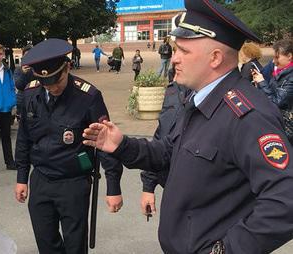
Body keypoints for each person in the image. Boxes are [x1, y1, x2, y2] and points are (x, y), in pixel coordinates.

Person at [83, 1, 293, 253]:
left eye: (183, 51)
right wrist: (121, 145)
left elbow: (285, 201)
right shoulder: (199, 99)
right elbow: (169, 154)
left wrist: (226, 250)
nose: (174, 60)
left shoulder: (247, 115)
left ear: (215, 58)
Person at [15, 39, 123, 254]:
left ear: (68, 67)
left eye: (57, 80)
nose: (52, 87)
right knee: (46, 243)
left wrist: (113, 188)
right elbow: (24, 138)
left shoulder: (88, 97)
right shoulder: (30, 94)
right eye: (46, 82)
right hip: (41, 180)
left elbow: (106, 144)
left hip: (73, 182)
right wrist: (21, 177)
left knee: (75, 246)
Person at [140, 73, 190, 218]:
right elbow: (161, 137)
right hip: (173, 188)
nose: (175, 60)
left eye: (185, 52)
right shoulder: (174, 90)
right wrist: (148, 186)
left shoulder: (226, 96)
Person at [252, 39, 292, 111]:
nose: (273, 61)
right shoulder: (279, 70)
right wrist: (258, 84)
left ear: (289, 56)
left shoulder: (290, 77)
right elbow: (270, 91)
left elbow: (276, 103)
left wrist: (262, 82)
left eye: (277, 57)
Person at [14, 45, 36, 117]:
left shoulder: (38, 68)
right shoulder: (19, 69)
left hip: (36, 100)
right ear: (23, 56)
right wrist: (23, 73)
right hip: (22, 100)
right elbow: (19, 86)